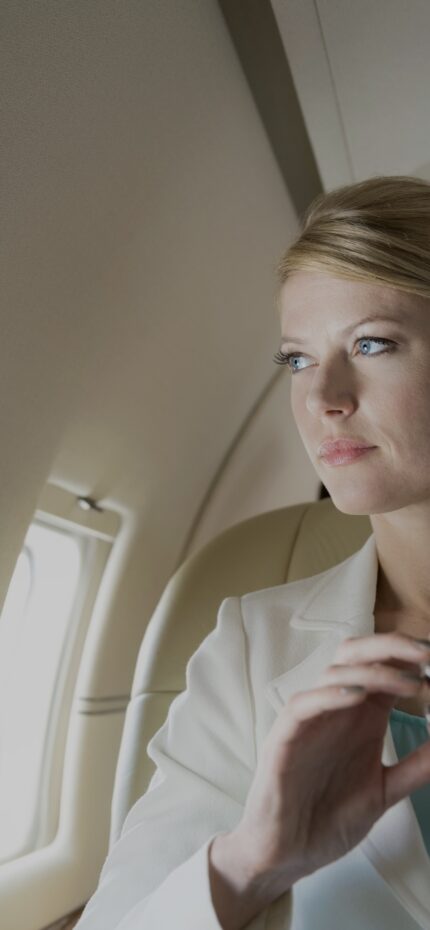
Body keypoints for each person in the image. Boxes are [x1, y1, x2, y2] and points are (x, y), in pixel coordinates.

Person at [75, 175, 430, 930]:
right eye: (297, 359)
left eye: (371, 344)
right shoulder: (250, 646)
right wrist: (255, 859)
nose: (323, 396)